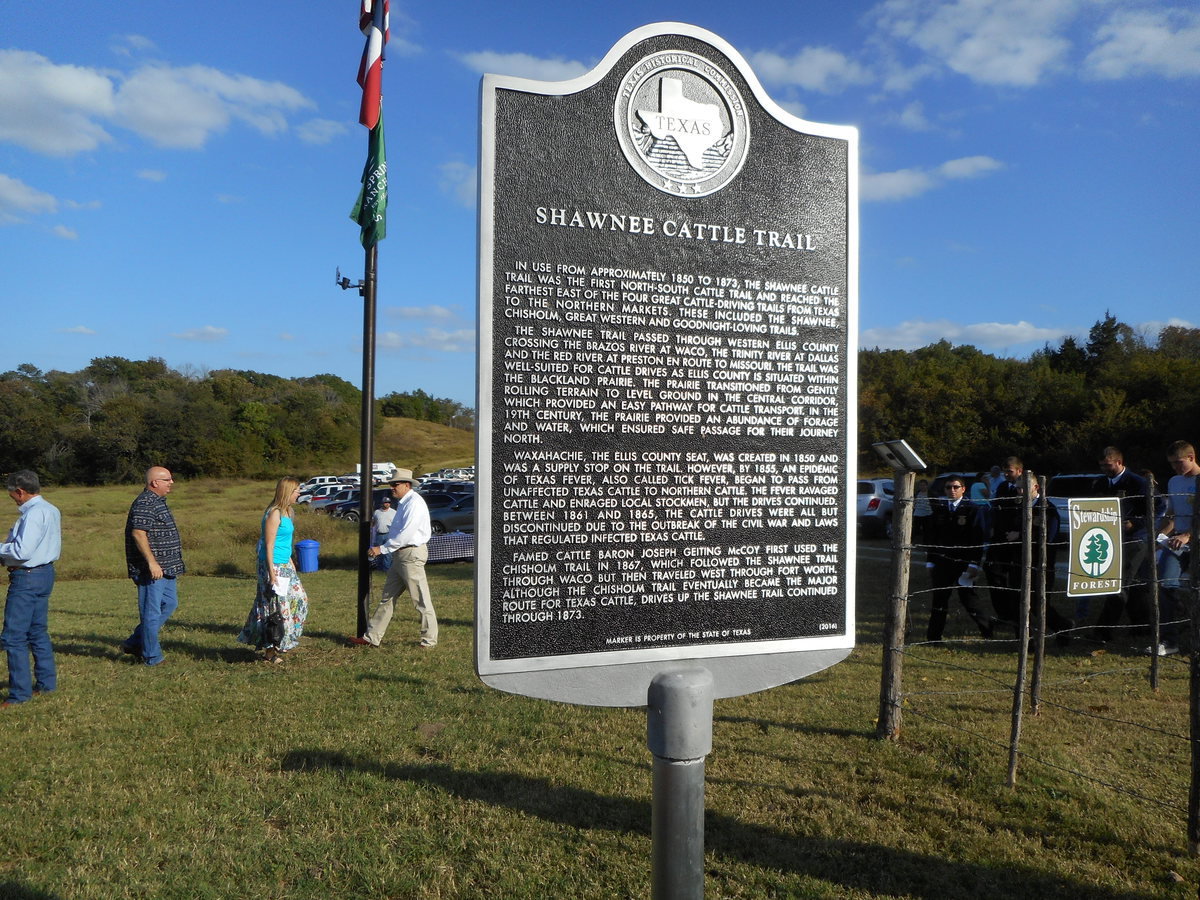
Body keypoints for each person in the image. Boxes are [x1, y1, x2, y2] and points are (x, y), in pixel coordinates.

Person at [352, 468, 437, 648]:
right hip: (401, 554)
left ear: (407, 485)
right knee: (387, 597)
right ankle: (372, 637)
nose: (392, 487)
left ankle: (429, 640)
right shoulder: (405, 503)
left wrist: (381, 549)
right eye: (391, 484)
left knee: (420, 599)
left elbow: (406, 535)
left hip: (410, 553)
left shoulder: (414, 503)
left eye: (395, 484)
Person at [1, 471, 60, 707]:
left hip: (27, 577)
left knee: (14, 637)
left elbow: (22, 552)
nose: (13, 499)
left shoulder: (33, 514)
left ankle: (19, 694)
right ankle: (46, 683)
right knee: (37, 631)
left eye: (12, 495)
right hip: (45, 574)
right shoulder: (50, 509)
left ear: (20, 491)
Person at [237, 477, 309, 663]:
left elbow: (286, 542)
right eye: (296, 491)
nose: (299, 494)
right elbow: (268, 545)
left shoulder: (288, 512)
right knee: (273, 608)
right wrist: (271, 571)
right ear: (287, 492)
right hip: (272, 565)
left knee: (300, 600)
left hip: (284, 564)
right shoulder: (274, 513)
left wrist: (291, 561)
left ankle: (285, 639)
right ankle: (271, 650)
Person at [121, 466, 184, 666]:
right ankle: (151, 657)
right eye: (167, 479)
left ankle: (135, 642)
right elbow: (139, 533)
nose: (171, 482)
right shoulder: (145, 502)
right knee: (151, 612)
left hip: (168, 567)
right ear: (155, 482)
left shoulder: (157, 502)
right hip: (153, 570)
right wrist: (152, 563)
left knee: (170, 603)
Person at [1090, 446, 1151, 642]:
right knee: (1132, 585)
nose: (1105, 470)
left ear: (1119, 462)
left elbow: (1156, 507)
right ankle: (1141, 625)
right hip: (1110, 538)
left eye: (1108, 466)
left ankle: (1103, 629)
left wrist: (1135, 523)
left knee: (1119, 583)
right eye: (1101, 466)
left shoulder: (1138, 482)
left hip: (1134, 539)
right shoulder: (1099, 483)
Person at [925, 477, 995, 641]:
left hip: (964, 562)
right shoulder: (940, 509)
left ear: (963, 489)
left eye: (956, 487)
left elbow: (977, 539)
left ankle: (987, 627)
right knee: (939, 600)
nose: (952, 490)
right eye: (948, 487)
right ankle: (933, 637)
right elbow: (932, 537)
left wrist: (974, 564)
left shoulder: (972, 509)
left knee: (969, 600)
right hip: (942, 563)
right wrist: (930, 560)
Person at [1153, 441, 1200, 656]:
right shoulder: (1174, 481)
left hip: (1194, 541)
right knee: (1165, 585)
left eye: (1179, 463)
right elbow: (1172, 514)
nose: (1175, 468)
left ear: (1191, 457)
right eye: (1172, 464)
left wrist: (1188, 535)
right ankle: (1169, 641)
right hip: (1177, 543)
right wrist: (1160, 533)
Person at [987, 456, 1026, 627]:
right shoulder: (1002, 487)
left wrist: (1019, 532)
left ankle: (1018, 614)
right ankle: (1004, 613)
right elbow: (996, 509)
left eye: (1009, 471)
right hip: (1000, 538)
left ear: (1019, 471)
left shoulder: (1025, 488)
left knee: (1016, 579)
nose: (1006, 474)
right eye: (1005, 471)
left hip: (1018, 540)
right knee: (994, 573)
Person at [370, 495, 396, 571]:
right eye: (385, 502)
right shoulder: (377, 512)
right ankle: (379, 568)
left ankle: (386, 569)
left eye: (388, 502)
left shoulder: (393, 512)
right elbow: (373, 523)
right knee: (378, 552)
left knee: (388, 553)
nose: (387, 504)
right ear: (382, 503)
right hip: (379, 535)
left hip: (388, 534)